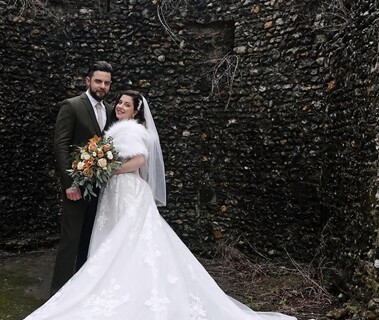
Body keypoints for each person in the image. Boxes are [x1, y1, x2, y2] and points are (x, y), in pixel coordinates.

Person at [27, 90, 296, 319]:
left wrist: (108, 168)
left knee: (125, 240)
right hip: (118, 190)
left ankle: (124, 286)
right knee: (121, 240)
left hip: (126, 190)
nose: (119, 106)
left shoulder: (130, 130)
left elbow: (138, 161)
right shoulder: (120, 128)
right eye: (119, 102)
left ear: (135, 111)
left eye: (126, 105)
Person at [51, 61, 114, 296]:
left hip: (100, 188)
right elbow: (60, 146)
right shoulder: (72, 105)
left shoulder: (109, 110)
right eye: (98, 81)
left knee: (90, 239)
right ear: (88, 81)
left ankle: (82, 292)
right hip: (76, 186)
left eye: (107, 83)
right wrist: (70, 184)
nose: (102, 86)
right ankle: (58, 294)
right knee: (71, 240)